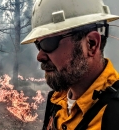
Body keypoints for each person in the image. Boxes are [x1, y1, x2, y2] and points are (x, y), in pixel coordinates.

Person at [21, 0, 119, 129]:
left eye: (49, 43)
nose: (40, 56)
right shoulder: (56, 100)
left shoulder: (114, 114)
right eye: (38, 45)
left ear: (91, 44)